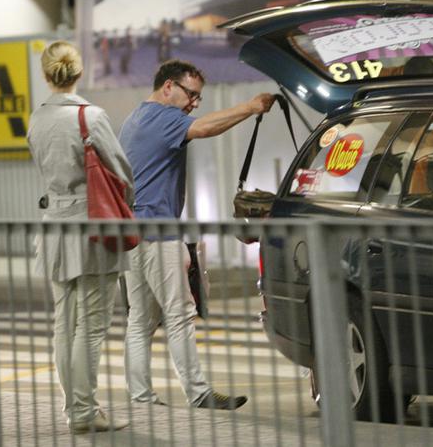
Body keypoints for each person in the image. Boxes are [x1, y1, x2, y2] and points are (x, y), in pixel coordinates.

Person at [118, 59, 275, 409]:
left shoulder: (135, 118)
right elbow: (204, 128)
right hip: (158, 231)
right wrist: (250, 107)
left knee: (140, 319)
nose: (194, 103)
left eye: (198, 98)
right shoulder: (163, 118)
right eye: (191, 94)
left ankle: (141, 396)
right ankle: (199, 393)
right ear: (168, 87)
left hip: (132, 232)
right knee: (180, 313)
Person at [27, 40, 133, 434]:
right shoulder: (91, 116)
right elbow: (121, 174)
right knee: (90, 325)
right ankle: (86, 412)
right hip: (92, 229)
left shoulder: (36, 119)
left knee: (64, 323)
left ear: (46, 74)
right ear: (78, 72)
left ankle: (75, 409)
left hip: (54, 225)